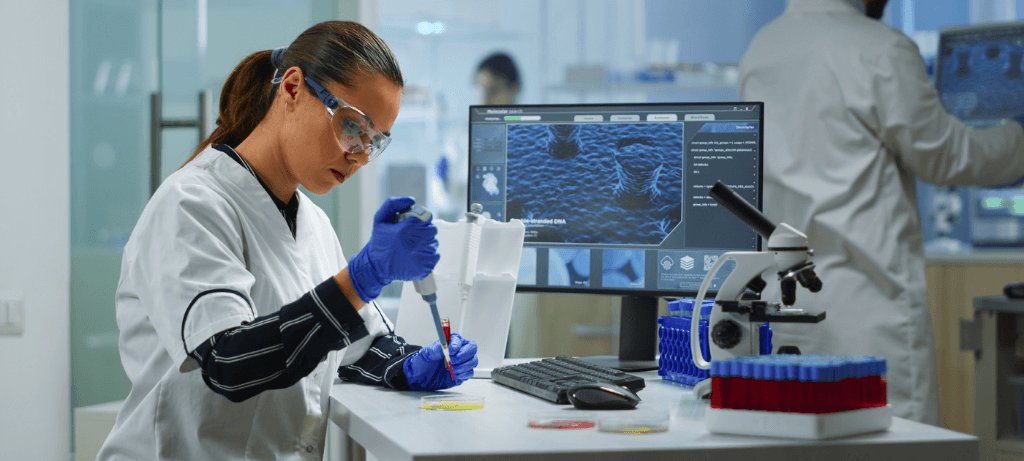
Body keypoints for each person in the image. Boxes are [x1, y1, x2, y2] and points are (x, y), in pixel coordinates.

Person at [97, 21, 478, 460]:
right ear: (293, 88)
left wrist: (408, 365)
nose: (358, 156)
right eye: (353, 126)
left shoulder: (313, 223)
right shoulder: (190, 204)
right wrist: (363, 277)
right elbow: (229, 361)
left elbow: (356, 345)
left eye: (374, 142)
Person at [738, 0, 1024, 425]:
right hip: (868, 308)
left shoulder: (763, 47)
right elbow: (947, 156)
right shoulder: (879, 49)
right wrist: (1017, 138)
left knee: (797, 435)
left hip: (786, 304)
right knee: (888, 439)